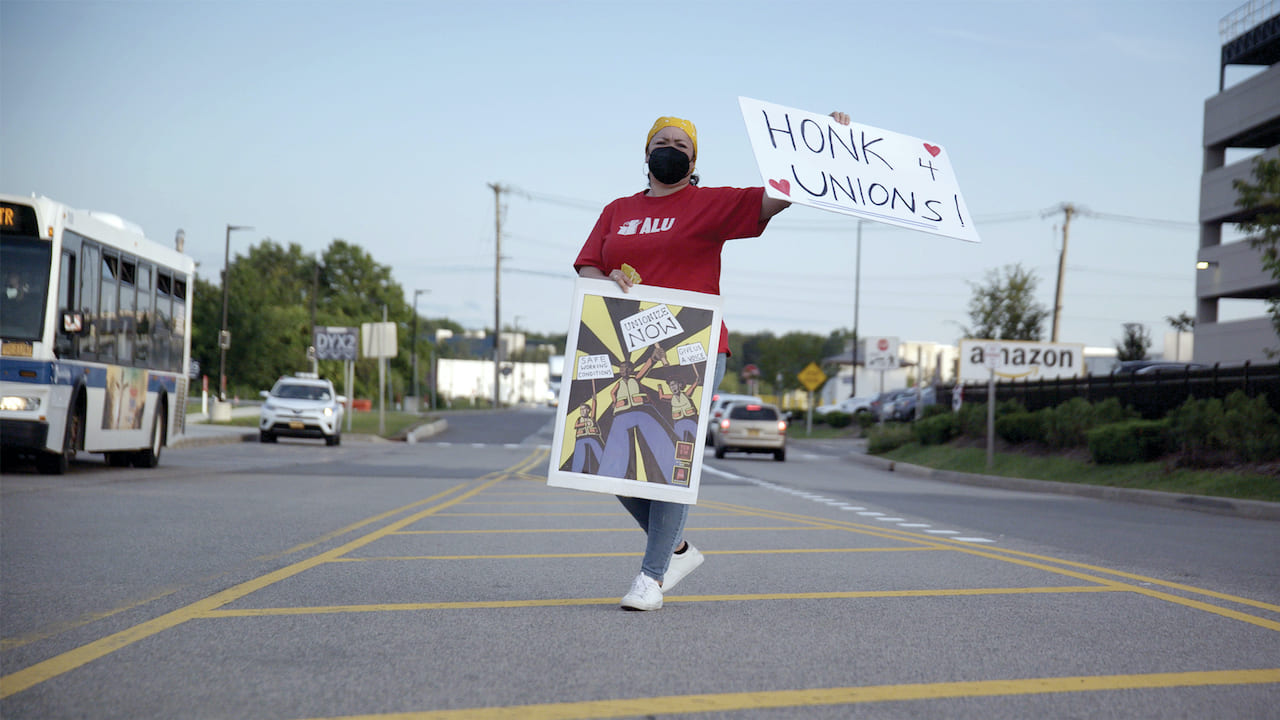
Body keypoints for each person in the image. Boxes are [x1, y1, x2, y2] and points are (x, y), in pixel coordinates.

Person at [574, 110, 850, 611]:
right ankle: (677, 551)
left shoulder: (710, 204)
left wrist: (821, 145)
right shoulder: (618, 210)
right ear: (646, 152)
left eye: (682, 142)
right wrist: (607, 283)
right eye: (663, 140)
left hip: (693, 346)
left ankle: (650, 578)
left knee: (673, 457)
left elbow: (775, 198)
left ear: (694, 158)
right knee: (609, 461)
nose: (671, 147)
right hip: (623, 347)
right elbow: (589, 264)